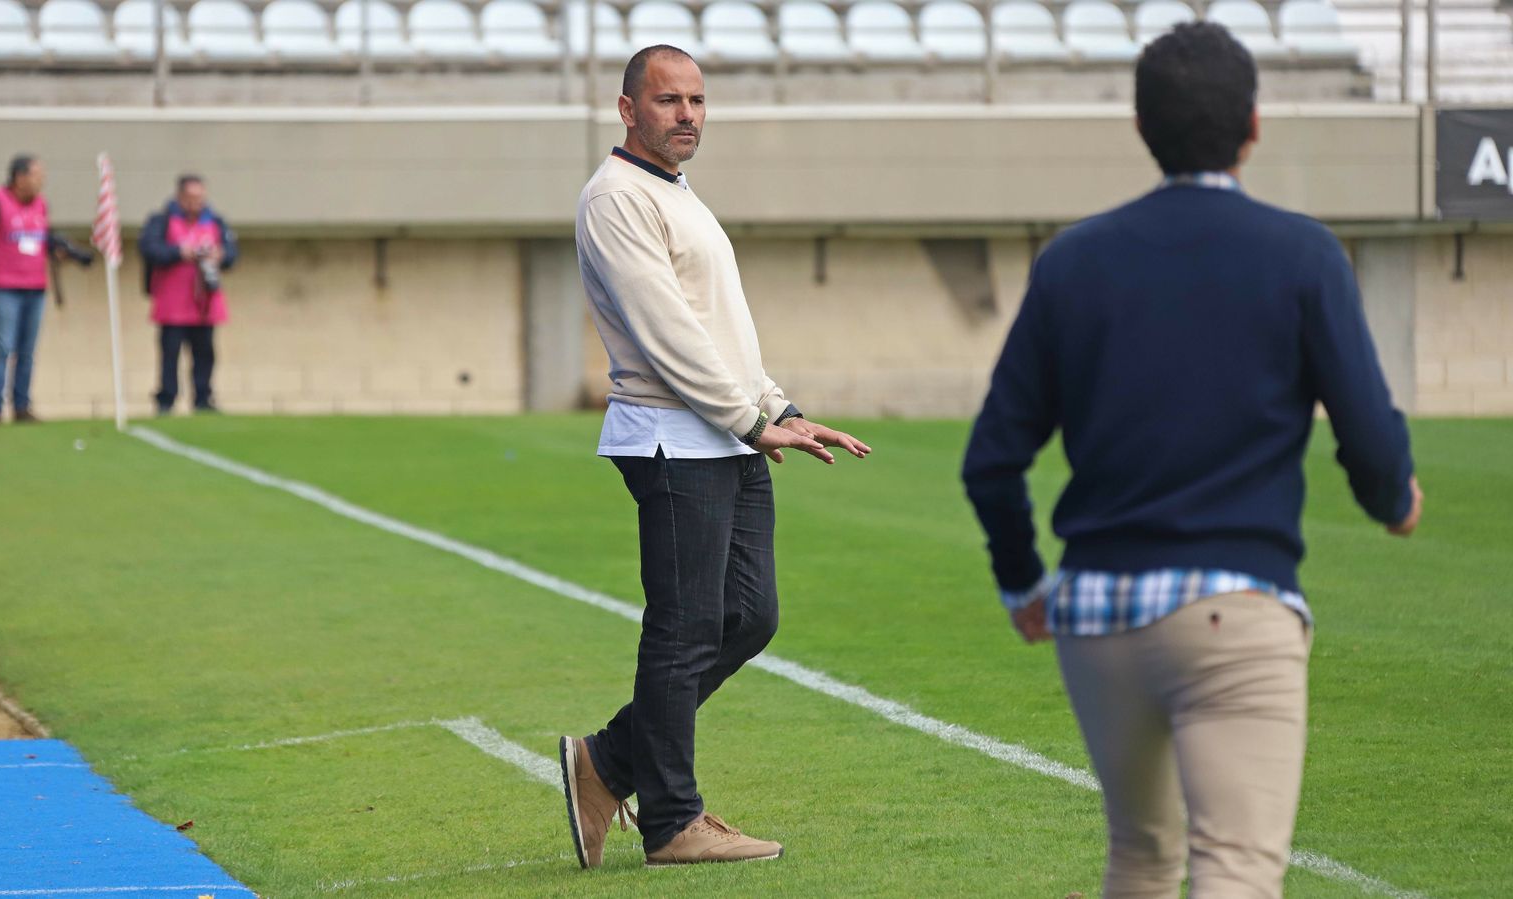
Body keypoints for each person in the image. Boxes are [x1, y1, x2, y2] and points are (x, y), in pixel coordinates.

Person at [961, 23, 1422, 899]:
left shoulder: (1072, 261)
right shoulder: (1304, 254)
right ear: (1254, 127)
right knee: (1236, 871)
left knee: (1139, 858)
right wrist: (1394, 497)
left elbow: (992, 461)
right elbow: (1368, 433)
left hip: (1095, 617)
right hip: (1233, 614)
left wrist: (1024, 585)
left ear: (1142, 128)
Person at [559, 45, 872, 870]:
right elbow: (667, 334)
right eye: (668, 101)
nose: (688, 114)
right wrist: (747, 415)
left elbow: (719, 328)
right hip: (672, 436)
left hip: (727, 433)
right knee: (685, 626)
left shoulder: (678, 194)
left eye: (697, 99)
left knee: (749, 616)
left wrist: (779, 408)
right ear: (628, 110)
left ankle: (610, 761)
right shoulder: (615, 197)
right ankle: (671, 821)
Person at [0, 154, 91, 425]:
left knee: (27, 351)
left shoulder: (41, 206)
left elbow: (40, 238)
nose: (41, 180)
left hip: (35, 287)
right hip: (4, 288)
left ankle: (22, 406)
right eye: (37, 175)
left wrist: (60, 253)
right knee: (2, 348)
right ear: (19, 177)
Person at [139, 174, 237, 415]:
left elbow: (232, 254)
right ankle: (166, 399)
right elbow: (149, 249)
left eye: (200, 197)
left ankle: (203, 398)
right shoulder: (161, 220)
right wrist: (179, 252)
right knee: (170, 353)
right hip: (172, 303)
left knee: (205, 353)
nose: (196, 202)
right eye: (191, 197)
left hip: (205, 303)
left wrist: (219, 255)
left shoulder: (215, 221)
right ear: (180, 197)